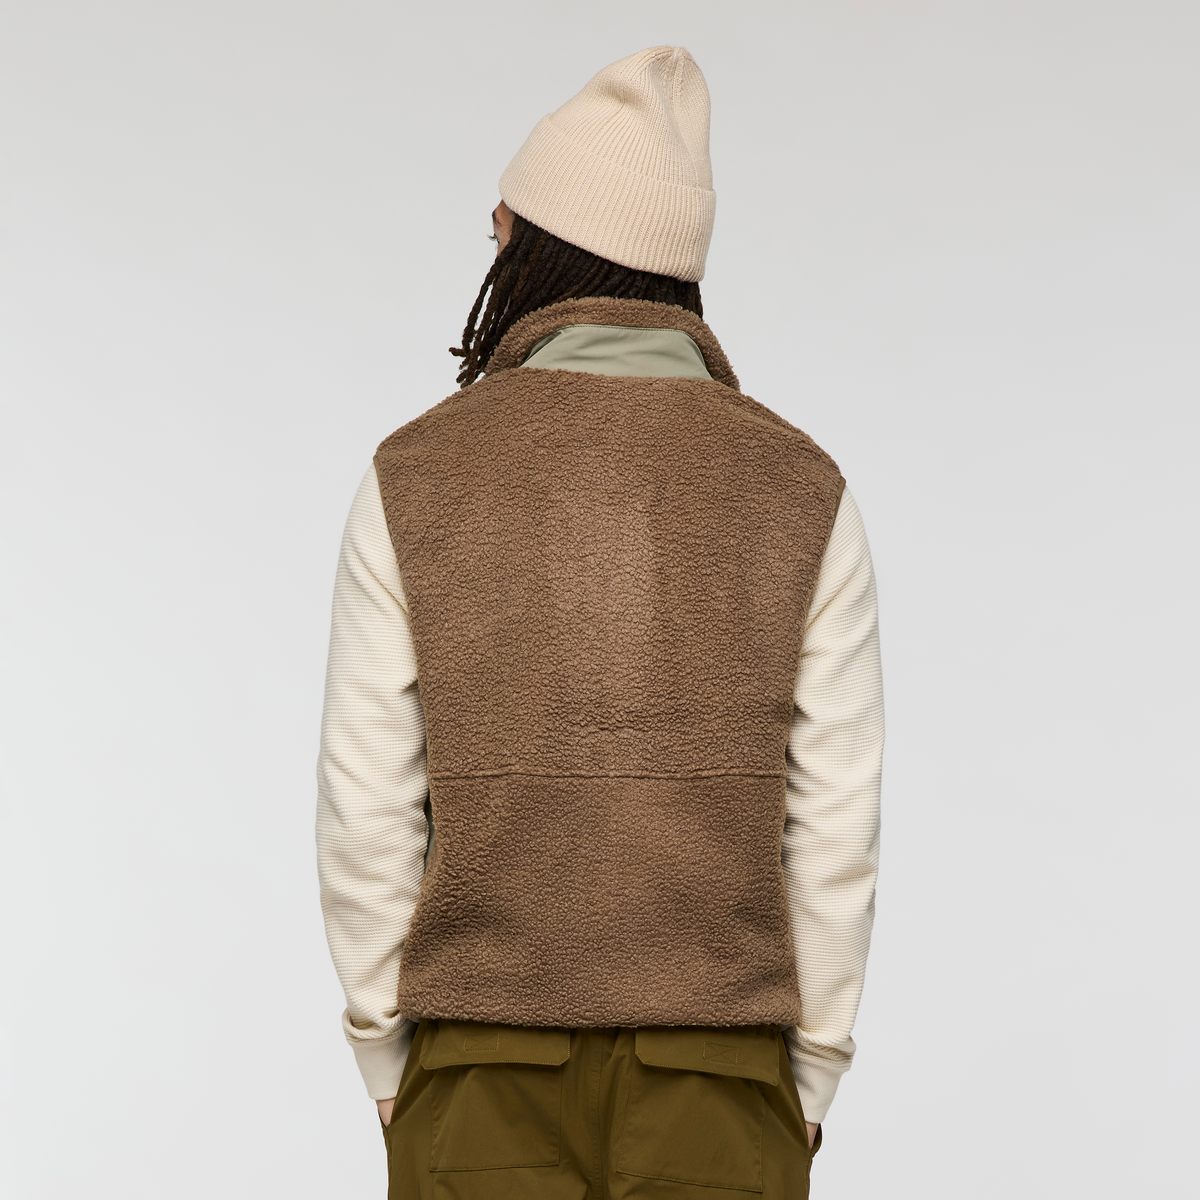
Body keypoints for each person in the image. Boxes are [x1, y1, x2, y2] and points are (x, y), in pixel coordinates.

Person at [317, 45, 883, 1200]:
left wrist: (384, 1047)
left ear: (539, 252)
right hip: (722, 1085)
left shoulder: (417, 472)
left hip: (476, 1072)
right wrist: (811, 1076)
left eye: (501, 233)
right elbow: (835, 818)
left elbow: (365, 793)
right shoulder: (800, 486)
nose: (491, 251)